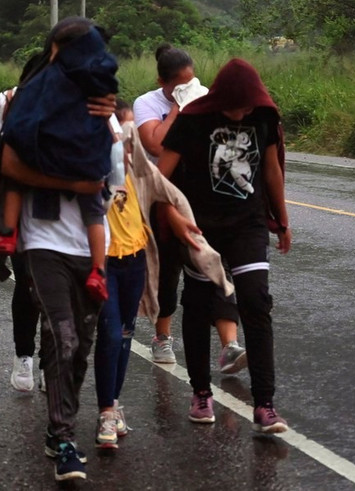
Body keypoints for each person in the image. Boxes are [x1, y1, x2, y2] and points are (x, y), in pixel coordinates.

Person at [0, 17, 116, 482]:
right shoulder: (30, 100)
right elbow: (10, 162)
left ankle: (58, 425)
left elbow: (107, 177)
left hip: (90, 243)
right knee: (64, 337)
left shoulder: (101, 105)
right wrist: (71, 181)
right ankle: (64, 438)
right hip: (41, 240)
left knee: (79, 348)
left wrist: (106, 135)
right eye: (57, 51)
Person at [0, 59, 116, 393]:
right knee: (30, 287)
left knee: (61, 294)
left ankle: (51, 363)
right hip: (23, 213)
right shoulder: (4, 104)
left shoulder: (86, 104)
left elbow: (114, 161)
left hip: (72, 216)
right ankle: (24, 357)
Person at [158, 57, 291, 433]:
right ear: (222, 99)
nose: (243, 113)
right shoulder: (194, 119)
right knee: (198, 306)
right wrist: (173, 217)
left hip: (247, 226)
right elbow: (159, 176)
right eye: (237, 107)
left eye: (248, 107)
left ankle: (265, 405)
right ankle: (201, 393)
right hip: (200, 228)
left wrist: (281, 220)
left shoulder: (262, 118)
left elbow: (271, 170)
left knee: (256, 302)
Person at [93, 103, 233, 449]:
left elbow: (171, 195)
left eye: (131, 135)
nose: (127, 143)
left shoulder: (140, 170)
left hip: (134, 263)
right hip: (104, 264)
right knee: (110, 333)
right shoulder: (91, 171)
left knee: (125, 334)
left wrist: (182, 222)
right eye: (119, 135)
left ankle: (114, 402)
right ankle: (106, 410)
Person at [0, 17, 119, 304]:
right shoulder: (35, 91)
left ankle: (6, 234)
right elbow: (8, 163)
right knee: (35, 302)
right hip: (39, 236)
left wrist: (108, 118)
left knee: (75, 335)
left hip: (79, 241)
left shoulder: (99, 99)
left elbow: (117, 160)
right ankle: (25, 350)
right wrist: (79, 183)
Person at [133, 44, 247, 373]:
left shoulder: (205, 97)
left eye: (190, 81)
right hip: (160, 195)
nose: (187, 88)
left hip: (199, 194)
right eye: (179, 84)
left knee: (213, 262)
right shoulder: (148, 103)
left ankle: (229, 345)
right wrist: (178, 108)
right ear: (162, 81)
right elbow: (155, 144)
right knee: (167, 270)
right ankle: (162, 337)